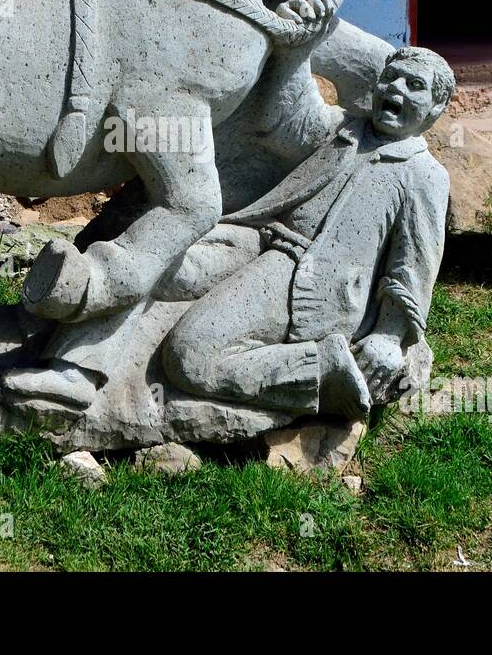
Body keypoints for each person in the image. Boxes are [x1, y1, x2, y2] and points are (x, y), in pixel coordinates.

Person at [161, 46, 455, 419]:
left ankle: (324, 371)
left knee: (190, 355)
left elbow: (413, 266)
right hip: (257, 239)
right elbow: (288, 111)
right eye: (390, 77)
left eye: (414, 85)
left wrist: (389, 336)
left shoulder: (424, 175)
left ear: (434, 108)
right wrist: (298, 43)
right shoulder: (341, 127)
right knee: (164, 270)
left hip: (312, 283)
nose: (395, 89)